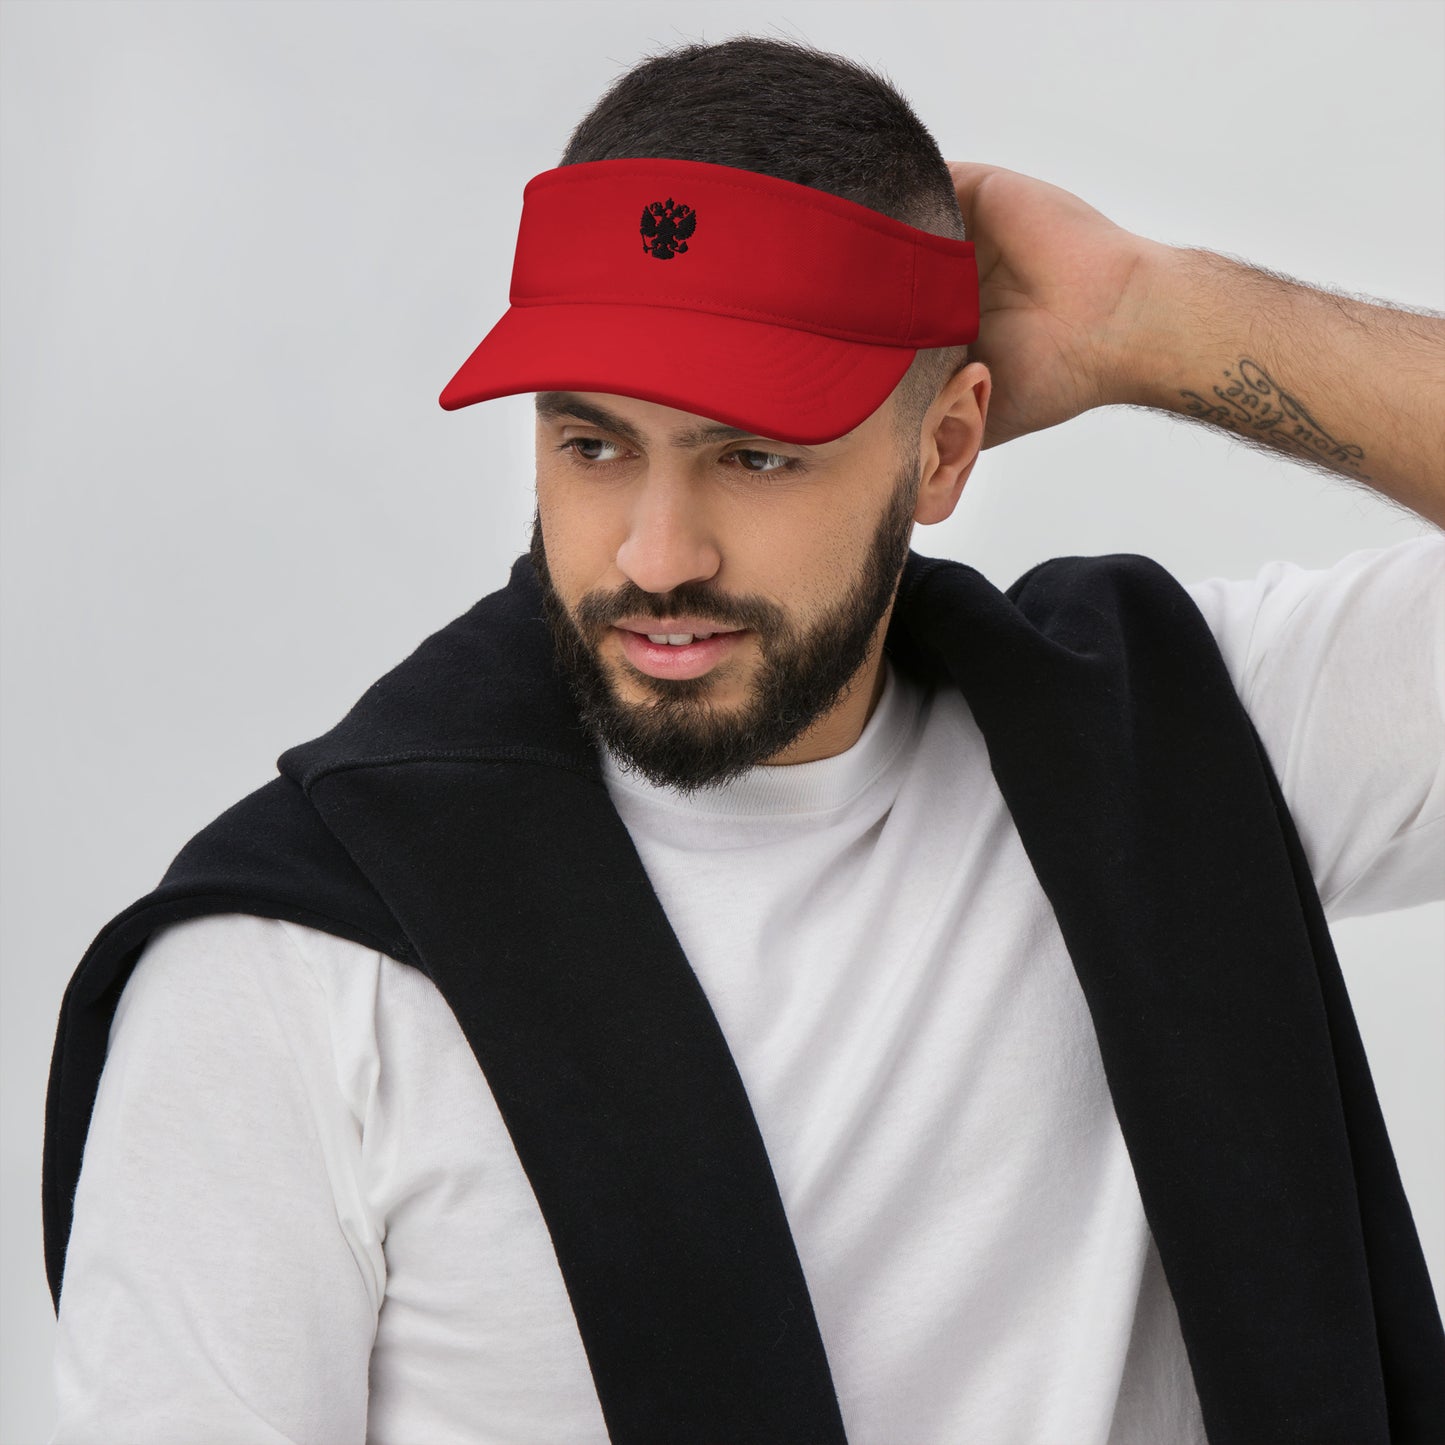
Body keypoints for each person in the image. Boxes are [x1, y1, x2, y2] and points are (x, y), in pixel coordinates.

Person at [44, 34, 1443, 1445]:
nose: (655, 553)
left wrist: (1154, 318)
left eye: (753, 453)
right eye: (591, 443)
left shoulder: (1178, 739)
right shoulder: (289, 971)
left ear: (945, 447)